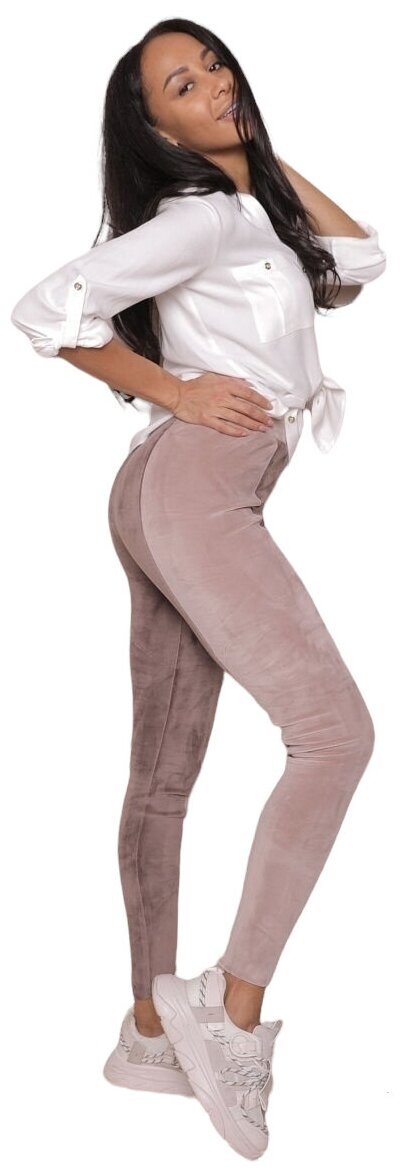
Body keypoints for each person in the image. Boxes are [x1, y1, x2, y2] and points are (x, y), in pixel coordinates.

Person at [10, 17, 387, 1161]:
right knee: (334, 734)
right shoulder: (202, 217)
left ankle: (146, 1029)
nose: (213, 82)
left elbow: (357, 261)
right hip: (193, 483)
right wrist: (174, 393)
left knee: (164, 776)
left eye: (213, 63)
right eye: (182, 84)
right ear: (155, 128)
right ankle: (229, 1007)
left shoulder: (244, 211)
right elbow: (47, 309)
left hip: (165, 492)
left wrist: (255, 151)